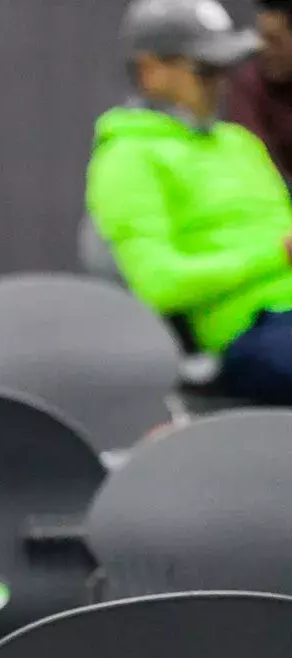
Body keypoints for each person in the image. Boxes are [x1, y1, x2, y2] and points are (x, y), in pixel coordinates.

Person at [90, 0, 292, 402]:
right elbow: (158, 283)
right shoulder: (127, 157)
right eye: (206, 70)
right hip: (249, 331)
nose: (222, 82)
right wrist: (276, 256)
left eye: (225, 68)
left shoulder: (239, 143)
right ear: (151, 70)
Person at [226, 0, 292, 182]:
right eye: (261, 39)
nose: (264, 49)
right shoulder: (249, 85)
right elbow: (257, 160)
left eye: (275, 41)